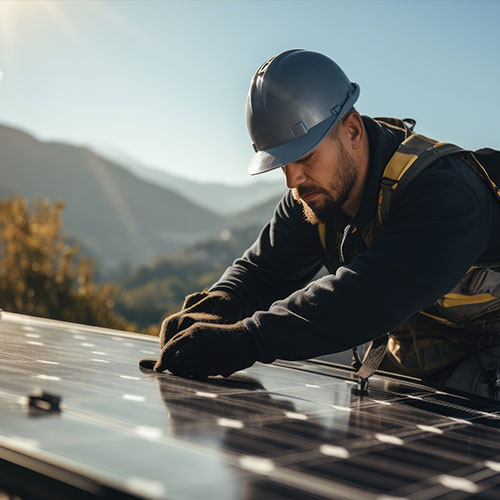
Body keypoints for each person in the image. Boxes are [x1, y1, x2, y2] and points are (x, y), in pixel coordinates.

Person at [140, 49, 500, 399]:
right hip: (423, 359)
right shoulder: (317, 195)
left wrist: (249, 339)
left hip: (488, 359)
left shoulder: (445, 192)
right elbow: (263, 271)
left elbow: (371, 295)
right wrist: (219, 303)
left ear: (353, 131)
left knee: (457, 413)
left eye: (306, 156)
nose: (292, 180)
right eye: (282, 163)